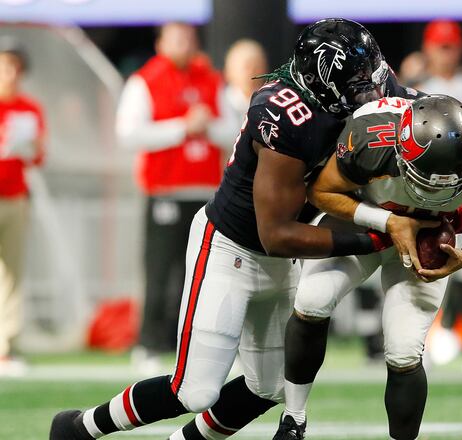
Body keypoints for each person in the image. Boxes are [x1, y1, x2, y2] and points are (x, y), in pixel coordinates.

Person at [50, 18, 420, 440]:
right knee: (194, 391)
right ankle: (80, 428)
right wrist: (379, 236)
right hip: (231, 250)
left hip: (283, 260)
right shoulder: (285, 114)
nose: (373, 93)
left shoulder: (365, 85)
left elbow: (414, 105)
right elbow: (275, 235)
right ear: (325, 84)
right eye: (358, 85)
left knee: (272, 386)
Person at [277, 95, 462, 440]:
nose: (433, 190)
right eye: (425, 178)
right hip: (367, 218)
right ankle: (293, 419)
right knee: (312, 299)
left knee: (404, 348)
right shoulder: (369, 136)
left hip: (433, 235)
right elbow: (321, 191)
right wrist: (387, 221)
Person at [115, 22, 238, 372]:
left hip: (205, 190)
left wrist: (205, 126)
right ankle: (149, 344)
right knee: (160, 269)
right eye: (177, 39)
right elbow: (128, 134)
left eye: (190, 38)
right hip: (165, 190)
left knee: (202, 272)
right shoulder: (145, 80)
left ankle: (194, 343)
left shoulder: (209, 79)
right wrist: (181, 127)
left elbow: (232, 129)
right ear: (160, 44)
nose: (185, 44)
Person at [0, 38, 45, 376]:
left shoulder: (29, 108)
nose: (10, 73)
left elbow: (39, 156)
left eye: (15, 66)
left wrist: (28, 147)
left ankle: (6, 346)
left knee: (12, 274)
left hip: (14, 195)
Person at [223, 38, 268, 120]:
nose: (252, 71)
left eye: (257, 65)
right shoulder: (216, 104)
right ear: (229, 71)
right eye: (247, 66)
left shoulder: (272, 104)